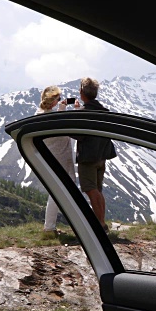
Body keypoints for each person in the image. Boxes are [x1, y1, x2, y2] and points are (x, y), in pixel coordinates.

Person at [73, 77, 116, 232]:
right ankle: (101, 222)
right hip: (101, 157)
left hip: (88, 158)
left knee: (91, 190)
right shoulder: (104, 111)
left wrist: (74, 116)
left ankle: (101, 225)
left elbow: (79, 135)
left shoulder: (85, 113)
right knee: (97, 190)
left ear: (81, 93)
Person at [35, 85, 77, 234]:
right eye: (58, 98)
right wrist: (66, 110)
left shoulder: (41, 114)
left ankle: (51, 226)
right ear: (53, 100)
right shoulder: (49, 116)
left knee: (58, 193)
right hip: (60, 158)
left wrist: (61, 110)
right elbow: (63, 127)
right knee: (61, 192)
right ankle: (51, 227)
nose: (60, 100)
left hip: (55, 157)